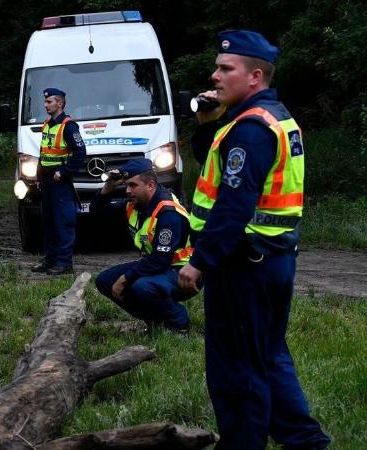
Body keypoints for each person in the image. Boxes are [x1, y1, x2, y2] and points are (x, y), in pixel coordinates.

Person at [177, 30, 329, 449]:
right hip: (270, 261)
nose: (215, 75)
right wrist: (208, 125)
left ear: (254, 76)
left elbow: (233, 206)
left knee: (237, 370)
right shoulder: (267, 117)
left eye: (226, 68)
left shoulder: (251, 129)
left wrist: (199, 261)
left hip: (243, 266)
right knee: (268, 356)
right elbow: (220, 165)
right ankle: (305, 441)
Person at [93, 158, 196, 332]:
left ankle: (179, 322)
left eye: (133, 185)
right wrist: (108, 186)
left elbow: (159, 261)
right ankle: (155, 322)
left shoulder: (167, 213)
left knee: (141, 286)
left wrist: (125, 279)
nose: (127, 191)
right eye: (126, 185)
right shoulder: (136, 204)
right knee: (104, 280)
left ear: (150, 185)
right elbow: (97, 213)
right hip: (156, 266)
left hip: (183, 271)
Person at [30, 87, 86, 275]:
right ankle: (50, 260)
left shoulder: (69, 126)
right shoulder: (48, 124)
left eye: (49, 102)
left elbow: (80, 153)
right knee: (48, 222)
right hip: (46, 180)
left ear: (60, 103)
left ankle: (64, 263)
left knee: (63, 222)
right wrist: (38, 175)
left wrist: (64, 172)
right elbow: (44, 152)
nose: (45, 105)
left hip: (59, 181)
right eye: (45, 102)